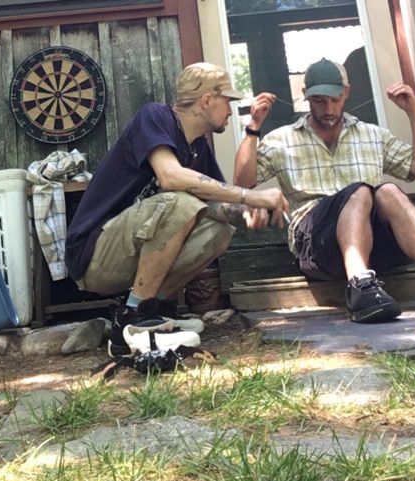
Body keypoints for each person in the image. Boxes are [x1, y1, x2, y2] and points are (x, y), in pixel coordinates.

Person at [65, 62, 289, 356]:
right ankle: (134, 318)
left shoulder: (198, 147)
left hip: (128, 253)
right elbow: (170, 177)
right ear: (206, 101)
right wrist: (249, 196)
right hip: (94, 254)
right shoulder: (155, 117)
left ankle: (154, 309)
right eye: (227, 101)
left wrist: (245, 211)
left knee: (219, 231)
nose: (230, 109)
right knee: (180, 202)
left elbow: (214, 205)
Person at [234, 57, 415, 324]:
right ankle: (360, 287)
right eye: (319, 100)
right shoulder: (282, 139)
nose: (329, 109)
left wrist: (413, 112)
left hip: (374, 244)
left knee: (388, 191)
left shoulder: (372, 135)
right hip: (318, 248)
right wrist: (253, 126)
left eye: (335, 99)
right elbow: (242, 181)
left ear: (347, 93)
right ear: (305, 95)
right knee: (360, 192)